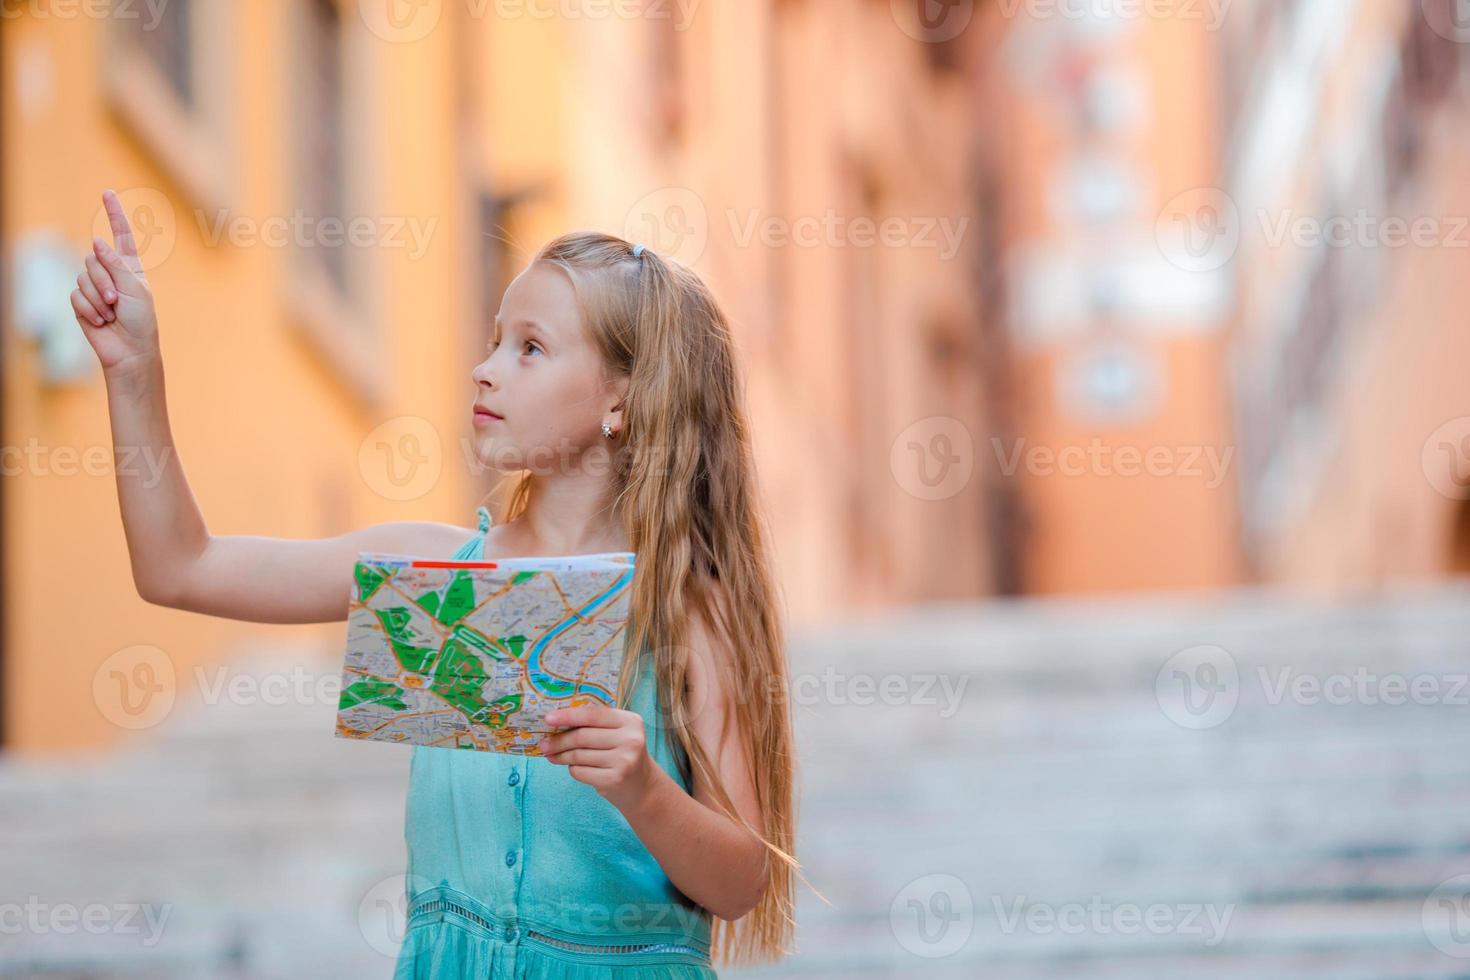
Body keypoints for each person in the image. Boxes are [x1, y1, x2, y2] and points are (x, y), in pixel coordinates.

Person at [73, 189, 801, 975]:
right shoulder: (429, 571)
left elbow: (742, 883)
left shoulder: (691, 611)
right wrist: (133, 370)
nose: (484, 371)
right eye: (493, 341)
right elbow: (181, 567)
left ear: (620, 401)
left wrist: (644, 787)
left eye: (529, 348)